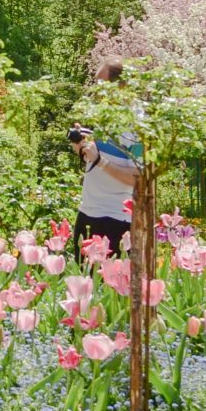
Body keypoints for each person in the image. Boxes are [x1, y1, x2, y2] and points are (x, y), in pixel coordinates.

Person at [72, 59, 139, 262]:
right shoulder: (103, 118)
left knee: (108, 289)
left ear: (122, 86)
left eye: (101, 85)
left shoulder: (138, 125)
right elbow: (95, 159)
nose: (96, 91)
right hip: (87, 212)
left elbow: (137, 179)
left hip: (115, 219)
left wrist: (101, 161)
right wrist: (82, 149)